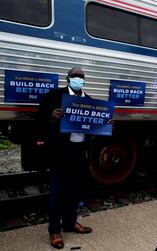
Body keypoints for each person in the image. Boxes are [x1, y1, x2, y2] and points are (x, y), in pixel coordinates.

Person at [36, 67, 93, 249]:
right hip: (60, 152)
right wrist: (51, 116)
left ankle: (70, 223)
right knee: (58, 192)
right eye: (74, 76)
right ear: (68, 78)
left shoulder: (90, 101)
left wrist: (105, 125)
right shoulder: (54, 96)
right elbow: (39, 118)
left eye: (81, 76)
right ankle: (54, 230)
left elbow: (93, 130)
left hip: (79, 151)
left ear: (84, 80)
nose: (78, 79)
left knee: (75, 190)